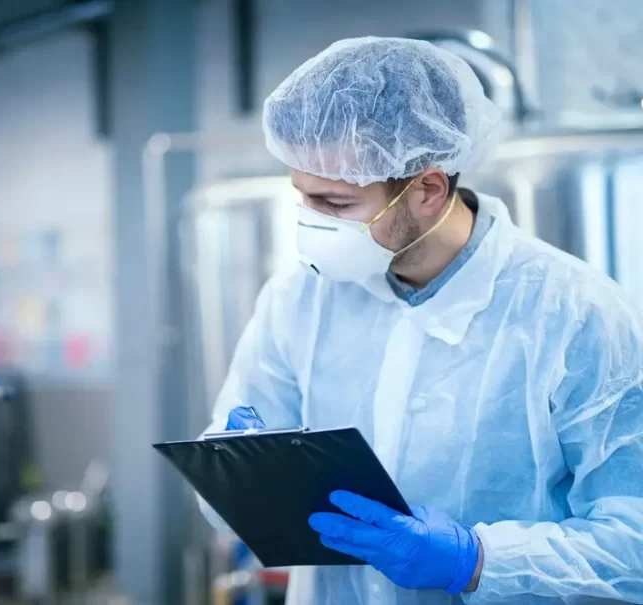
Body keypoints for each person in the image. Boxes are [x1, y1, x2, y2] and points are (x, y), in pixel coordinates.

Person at [198, 37, 643, 605]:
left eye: (335, 205)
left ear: (429, 189)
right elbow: (224, 498)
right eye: (302, 198)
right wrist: (235, 472)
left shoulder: (576, 314)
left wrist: (476, 561)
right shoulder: (299, 297)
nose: (311, 226)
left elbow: (632, 544)